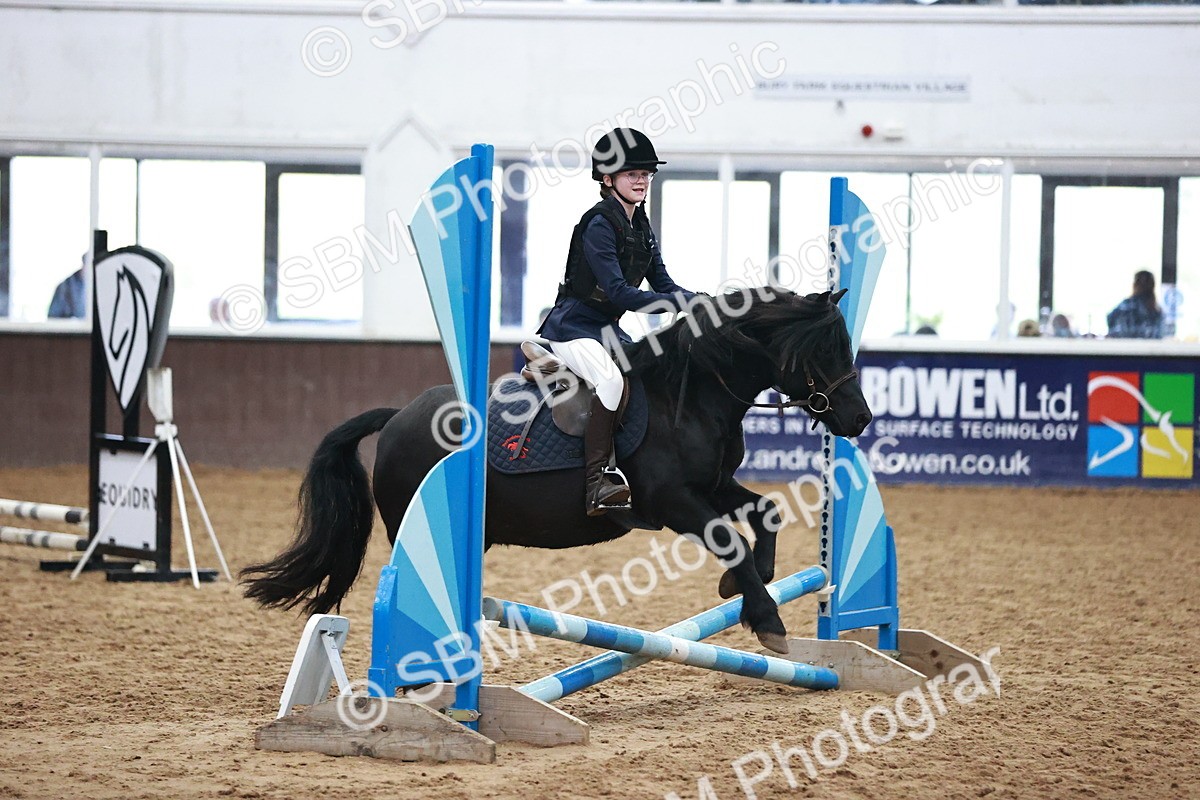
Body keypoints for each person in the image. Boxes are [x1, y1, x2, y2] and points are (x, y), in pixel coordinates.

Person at [536, 128, 698, 516]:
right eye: (632, 174)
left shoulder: (640, 225)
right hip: (571, 327)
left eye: (646, 174)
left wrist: (698, 300)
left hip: (607, 329)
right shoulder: (598, 225)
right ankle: (596, 483)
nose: (642, 180)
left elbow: (663, 283)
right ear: (607, 179)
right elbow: (622, 293)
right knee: (609, 380)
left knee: (648, 371)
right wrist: (680, 302)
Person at [1106, 270, 1164, 339]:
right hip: (1150, 349)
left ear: (1134, 285)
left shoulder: (1123, 307)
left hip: (1124, 348)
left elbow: (1110, 320)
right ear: (1153, 286)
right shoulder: (1156, 311)